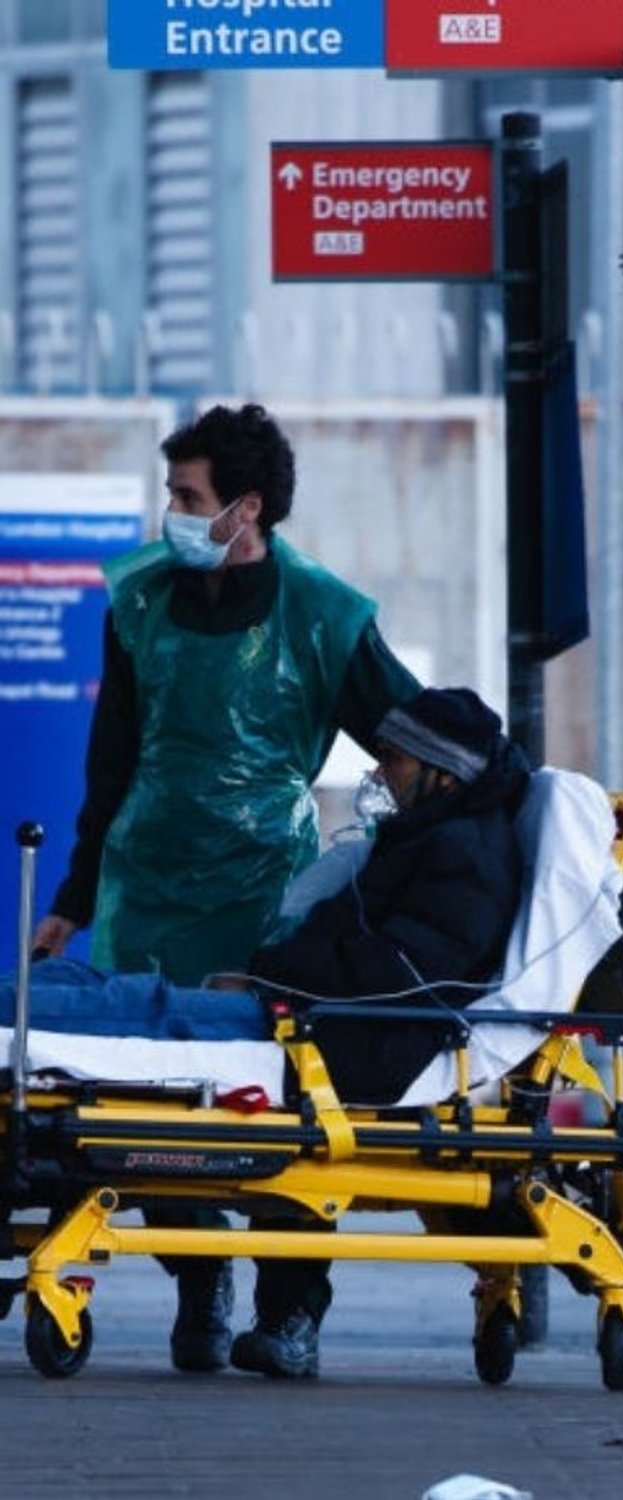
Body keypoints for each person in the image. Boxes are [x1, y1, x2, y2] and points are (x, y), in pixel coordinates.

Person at [29, 402, 421, 1373]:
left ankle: (290, 1313)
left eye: (188, 495)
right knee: (144, 1115)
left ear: (245, 509)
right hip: (148, 889)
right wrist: (73, 900)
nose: (172, 510)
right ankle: (201, 1287)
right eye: (172, 492)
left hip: (263, 906)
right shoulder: (141, 605)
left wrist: (462, 835)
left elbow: (417, 742)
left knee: (285, 1114)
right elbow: (109, 764)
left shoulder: (327, 618)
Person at [208, 686, 530, 1380]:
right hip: (336, 1019)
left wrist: (272, 978)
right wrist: (275, 975)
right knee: (136, 1006)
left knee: (147, 1017)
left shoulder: (463, 853)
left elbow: (400, 970)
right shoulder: (428, 837)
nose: (381, 773)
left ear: (442, 769)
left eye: (394, 759)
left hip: (368, 1039)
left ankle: (288, 1321)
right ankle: (284, 1320)